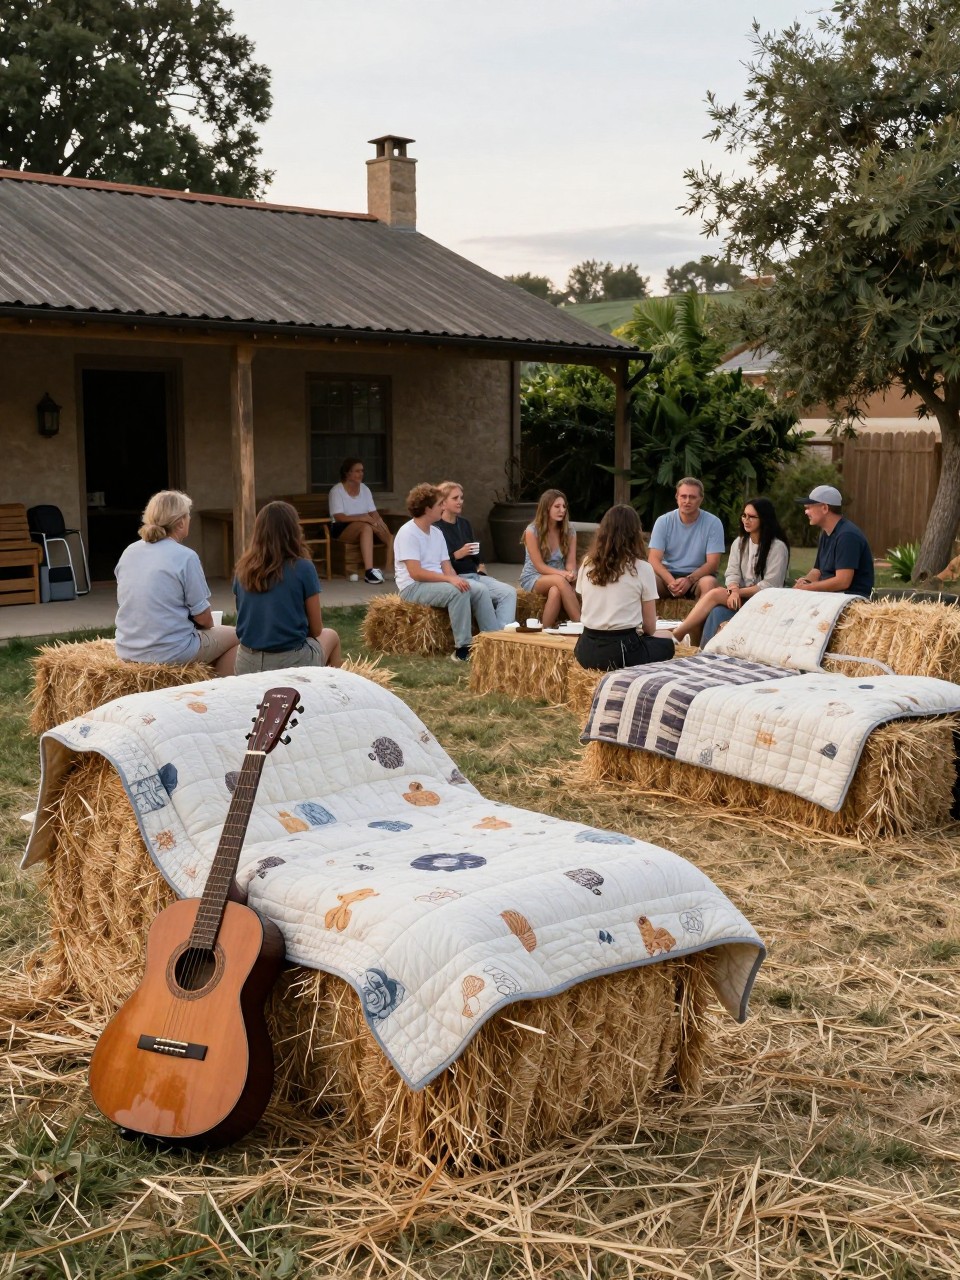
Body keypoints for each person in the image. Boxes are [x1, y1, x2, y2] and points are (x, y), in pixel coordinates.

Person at [114, 490, 239, 675]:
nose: (189, 520)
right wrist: (209, 628)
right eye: (188, 515)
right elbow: (203, 618)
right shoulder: (185, 557)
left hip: (127, 650)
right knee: (239, 635)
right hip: (171, 652)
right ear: (180, 522)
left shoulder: (129, 552)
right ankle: (216, 690)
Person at [393, 483, 504, 662]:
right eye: (439, 504)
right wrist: (450, 580)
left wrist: (455, 578)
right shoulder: (408, 533)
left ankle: (493, 642)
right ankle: (462, 649)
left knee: (479, 589)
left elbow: (446, 566)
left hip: (436, 582)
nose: (443, 507)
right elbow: (415, 573)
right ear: (428, 509)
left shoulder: (436, 533)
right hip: (413, 587)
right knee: (457, 592)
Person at [233, 501, 341, 676]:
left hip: (246, 661)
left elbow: (246, 619)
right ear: (294, 531)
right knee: (332, 636)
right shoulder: (303, 568)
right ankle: (334, 697)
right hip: (290, 661)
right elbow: (316, 630)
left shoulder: (242, 569)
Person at [671, 497, 791, 646]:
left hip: (767, 602)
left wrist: (737, 593)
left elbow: (770, 585)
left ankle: (679, 633)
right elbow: (732, 573)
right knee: (717, 612)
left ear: (765, 519)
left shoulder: (777, 547)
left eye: (752, 517)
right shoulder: (739, 543)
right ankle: (703, 650)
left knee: (715, 594)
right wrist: (733, 589)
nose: (746, 520)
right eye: (744, 515)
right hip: (742, 598)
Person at [574, 505, 676, 671]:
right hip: (620, 651)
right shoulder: (642, 568)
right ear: (635, 534)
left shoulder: (586, 564)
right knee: (667, 644)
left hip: (586, 650)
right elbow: (650, 628)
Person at [435, 480, 517, 628]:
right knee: (483, 591)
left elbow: (478, 556)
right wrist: (457, 554)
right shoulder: (436, 528)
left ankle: (501, 636)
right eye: (455, 498)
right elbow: (437, 562)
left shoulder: (465, 523)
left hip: (475, 575)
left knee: (509, 592)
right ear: (443, 503)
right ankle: (492, 637)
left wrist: (480, 565)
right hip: (455, 578)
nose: (460, 501)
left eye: (461, 497)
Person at [647, 477, 725, 603]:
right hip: (668, 575)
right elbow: (653, 559)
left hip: (699, 576)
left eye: (692, 497)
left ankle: (698, 622)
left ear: (701, 499)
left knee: (709, 583)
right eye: (683, 496)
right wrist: (672, 582)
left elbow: (713, 563)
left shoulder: (713, 523)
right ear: (677, 497)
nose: (687, 501)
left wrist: (689, 580)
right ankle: (647, 621)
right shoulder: (663, 521)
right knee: (645, 582)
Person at [793, 485, 874, 597]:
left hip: (849, 599)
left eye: (809, 507)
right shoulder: (826, 532)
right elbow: (817, 570)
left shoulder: (847, 536)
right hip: (831, 596)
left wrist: (809, 588)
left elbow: (843, 581)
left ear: (825, 508)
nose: (806, 512)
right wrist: (803, 583)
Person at [520, 489, 581, 628]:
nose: (562, 510)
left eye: (564, 506)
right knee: (559, 581)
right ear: (546, 508)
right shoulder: (532, 531)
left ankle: (546, 632)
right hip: (535, 576)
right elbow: (539, 566)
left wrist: (571, 574)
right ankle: (580, 624)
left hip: (560, 577)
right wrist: (563, 574)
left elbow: (571, 562)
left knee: (555, 591)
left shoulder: (569, 530)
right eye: (557, 506)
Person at [328, 457, 394, 584]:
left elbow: (373, 512)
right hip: (341, 527)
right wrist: (362, 518)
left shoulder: (365, 489)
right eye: (357, 471)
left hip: (364, 524)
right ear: (347, 473)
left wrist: (380, 523)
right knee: (366, 526)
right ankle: (369, 572)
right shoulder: (337, 491)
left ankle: (395, 567)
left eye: (362, 471)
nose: (361, 474)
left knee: (386, 533)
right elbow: (339, 517)